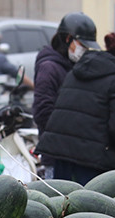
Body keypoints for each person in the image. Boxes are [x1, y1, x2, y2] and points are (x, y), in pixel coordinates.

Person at [35, 28, 115, 185]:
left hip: (61, 156)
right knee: (88, 208)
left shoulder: (83, 65)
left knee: (61, 205)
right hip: (93, 163)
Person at [32, 12, 99, 179]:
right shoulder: (49, 68)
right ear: (68, 39)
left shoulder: (73, 66)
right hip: (56, 158)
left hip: (75, 157)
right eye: (81, 44)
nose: (84, 50)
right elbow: (42, 112)